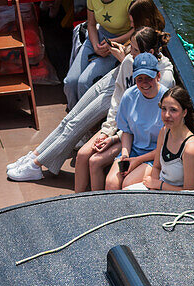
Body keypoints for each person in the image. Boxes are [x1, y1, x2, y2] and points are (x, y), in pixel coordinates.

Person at [9, 25, 172, 184]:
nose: (130, 52)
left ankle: (37, 164)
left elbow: (147, 120)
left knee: (77, 130)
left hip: (134, 135)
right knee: (70, 119)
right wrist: (108, 129)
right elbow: (119, 98)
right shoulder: (129, 63)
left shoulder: (163, 79)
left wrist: (113, 135)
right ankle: (34, 157)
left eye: (134, 50)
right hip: (119, 106)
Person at [73, 25, 171, 192]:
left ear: (158, 76)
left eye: (134, 49)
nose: (129, 52)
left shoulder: (166, 96)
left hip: (153, 152)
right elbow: (122, 113)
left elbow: (167, 140)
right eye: (139, 79)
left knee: (125, 185)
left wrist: (115, 141)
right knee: (88, 159)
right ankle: (84, 204)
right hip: (129, 140)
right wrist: (108, 134)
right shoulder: (130, 89)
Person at [125, 85, 194, 192]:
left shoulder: (191, 149)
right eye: (164, 109)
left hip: (178, 197)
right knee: (125, 191)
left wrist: (159, 185)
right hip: (159, 188)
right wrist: (153, 189)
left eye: (173, 110)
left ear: (184, 112)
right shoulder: (164, 132)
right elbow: (156, 167)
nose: (167, 115)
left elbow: (189, 192)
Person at [105, 50, 164, 191]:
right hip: (134, 151)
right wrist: (125, 154)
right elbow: (126, 131)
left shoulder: (167, 100)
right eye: (139, 79)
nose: (144, 84)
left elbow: (167, 145)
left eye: (148, 78)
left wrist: (137, 160)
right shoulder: (129, 96)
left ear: (158, 76)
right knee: (111, 183)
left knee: (128, 185)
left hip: (155, 155)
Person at [62, 0, 133, 110]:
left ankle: (83, 120)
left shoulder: (128, 2)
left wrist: (112, 43)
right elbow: (91, 24)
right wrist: (95, 46)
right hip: (97, 37)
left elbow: (137, 30)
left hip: (118, 44)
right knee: (70, 82)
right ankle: (73, 113)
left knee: (84, 82)